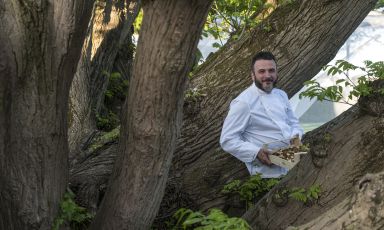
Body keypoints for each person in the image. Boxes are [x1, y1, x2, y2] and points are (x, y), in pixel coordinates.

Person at [220, 51, 303, 178]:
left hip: (292, 166)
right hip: (266, 174)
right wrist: (256, 152)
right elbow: (227, 139)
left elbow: (293, 123)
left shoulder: (281, 95)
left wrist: (295, 140)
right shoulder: (243, 102)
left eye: (271, 70)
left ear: (276, 72)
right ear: (253, 75)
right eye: (262, 71)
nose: (267, 75)